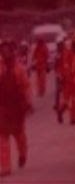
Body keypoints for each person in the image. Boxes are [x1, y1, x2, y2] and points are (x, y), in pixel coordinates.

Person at [0, 41, 33, 177]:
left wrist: (28, 103)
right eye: (3, 50)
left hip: (17, 108)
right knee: (2, 138)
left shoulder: (19, 69)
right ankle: (6, 167)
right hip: (2, 108)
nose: (6, 53)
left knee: (19, 136)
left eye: (8, 50)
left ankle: (22, 154)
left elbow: (26, 87)